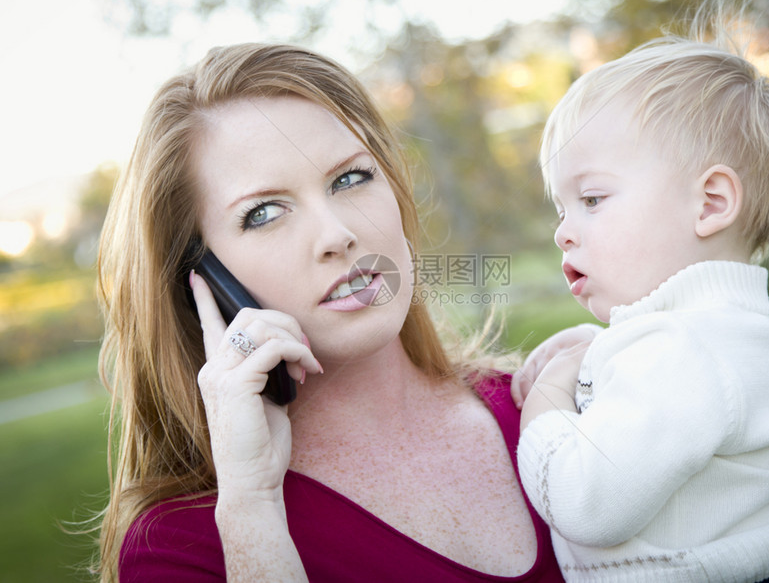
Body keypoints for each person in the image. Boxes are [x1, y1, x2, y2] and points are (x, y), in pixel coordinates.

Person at [94, 43, 564, 582]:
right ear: (202, 278)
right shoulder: (181, 548)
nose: (337, 235)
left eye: (350, 178)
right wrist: (253, 509)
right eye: (264, 213)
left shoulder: (544, 410)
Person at [511, 0, 769, 583]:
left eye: (591, 200)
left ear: (710, 203)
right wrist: (595, 350)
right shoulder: (706, 338)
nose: (563, 230)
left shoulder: (684, 351)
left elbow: (589, 503)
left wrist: (551, 396)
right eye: (562, 208)